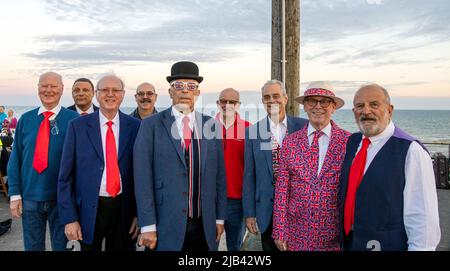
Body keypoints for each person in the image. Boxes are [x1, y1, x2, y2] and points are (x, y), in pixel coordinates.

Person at [134, 61, 226, 251]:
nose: (185, 91)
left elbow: (219, 176)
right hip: (165, 222)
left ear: (197, 92)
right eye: (179, 86)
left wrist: (219, 218)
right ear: (170, 92)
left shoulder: (211, 125)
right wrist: (148, 225)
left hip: (204, 223)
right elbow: (143, 179)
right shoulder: (151, 125)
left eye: (191, 86)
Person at [338, 83, 441, 251]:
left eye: (374, 104)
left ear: (389, 109)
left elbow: (423, 218)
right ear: (354, 112)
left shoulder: (411, 151)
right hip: (351, 243)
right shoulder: (353, 142)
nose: (366, 111)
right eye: (359, 106)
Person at [58, 75, 140, 251]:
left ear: (123, 94)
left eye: (115, 90)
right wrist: (70, 218)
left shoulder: (136, 127)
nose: (110, 94)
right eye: (104, 90)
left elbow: (142, 175)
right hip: (88, 210)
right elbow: (65, 177)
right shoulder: (77, 126)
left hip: (124, 210)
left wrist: (140, 215)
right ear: (96, 94)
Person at [272, 81, 351, 251]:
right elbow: (282, 189)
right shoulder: (290, 142)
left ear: (334, 107)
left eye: (324, 101)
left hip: (334, 237)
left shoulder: (348, 142)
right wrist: (279, 230)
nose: (317, 106)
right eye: (311, 101)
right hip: (296, 234)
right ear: (305, 107)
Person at [7, 72, 79, 251]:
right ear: (38, 89)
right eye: (44, 86)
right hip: (30, 197)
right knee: (32, 247)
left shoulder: (74, 120)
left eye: (53, 86)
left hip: (61, 199)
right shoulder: (26, 119)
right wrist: (15, 194)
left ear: (62, 89)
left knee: (62, 247)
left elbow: (80, 164)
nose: (49, 90)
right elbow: (15, 158)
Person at [243, 80, 308, 251]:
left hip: (299, 208)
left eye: (276, 96)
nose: (271, 100)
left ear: (285, 98)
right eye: (267, 97)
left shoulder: (304, 127)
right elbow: (249, 175)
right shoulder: (253, 132)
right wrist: (249, 213)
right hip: (267, 210)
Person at [215, 88, 251, 251]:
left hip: (237, 201)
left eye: (232, 102)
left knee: (235, 247)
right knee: (209, 244)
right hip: (211, 200)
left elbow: (253, 169)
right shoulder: (205, 127)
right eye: (223, 101)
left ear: (238, 105)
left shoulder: (250, 129)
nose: (227, 105)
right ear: (218, 103)